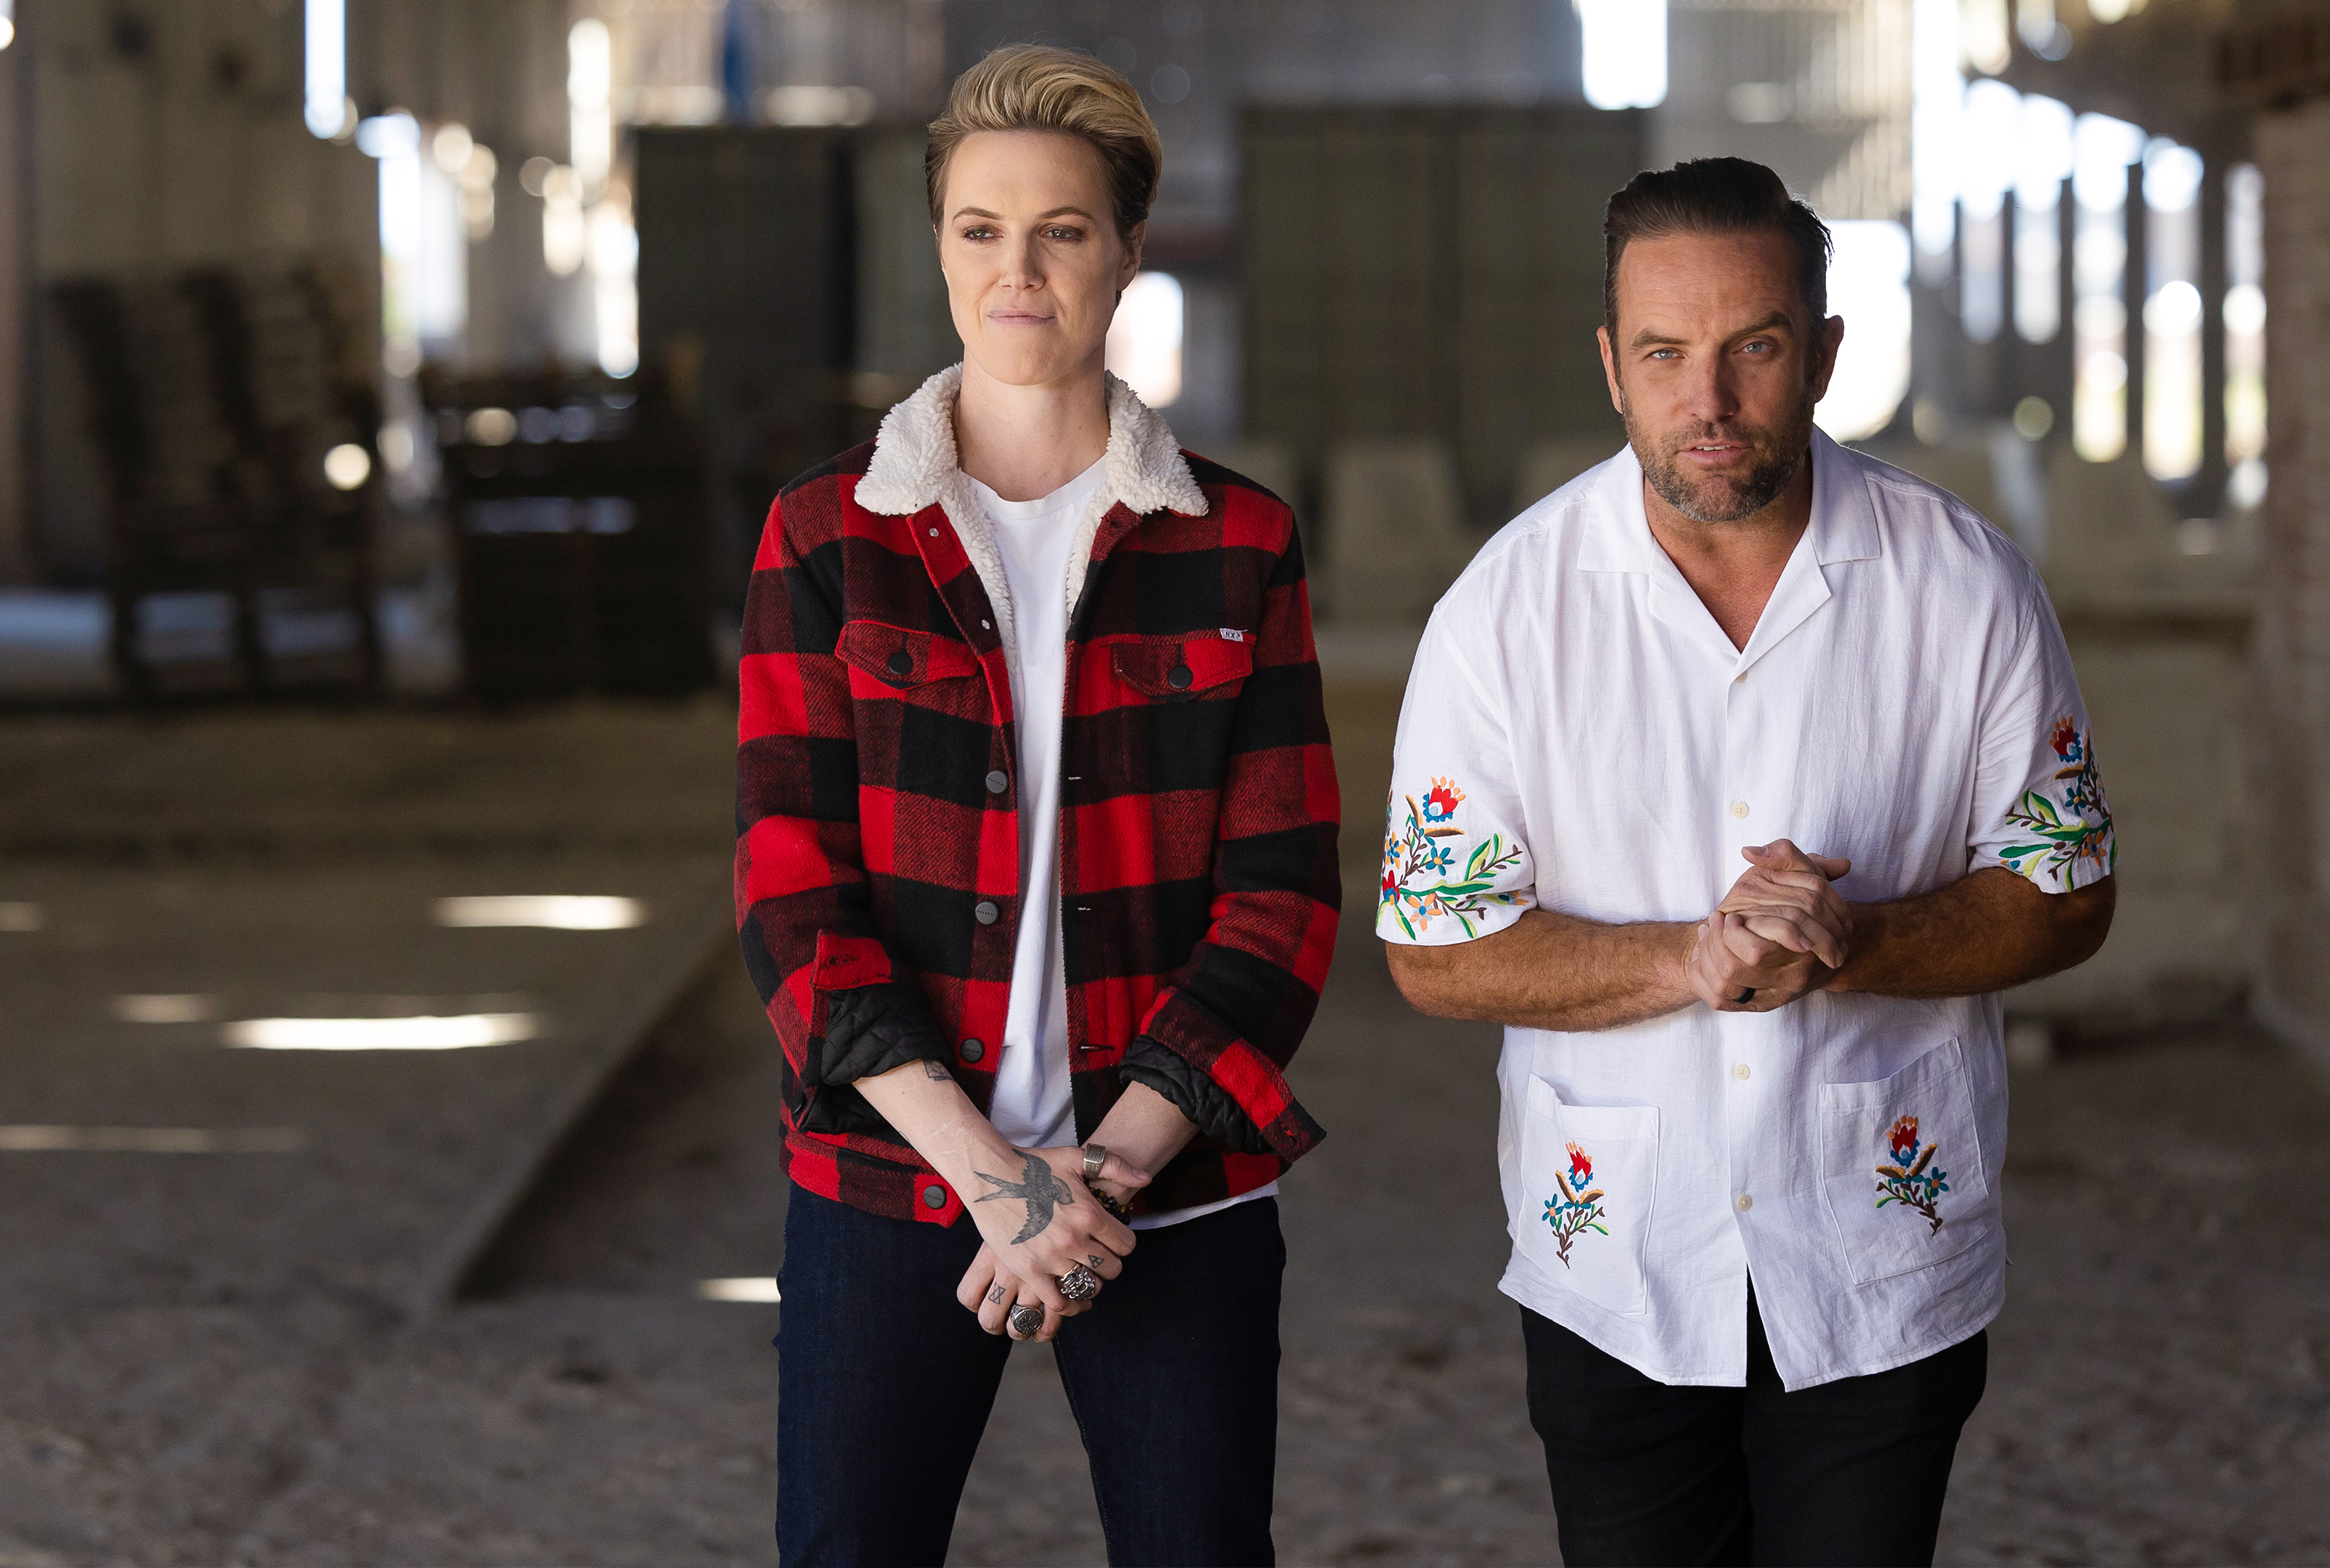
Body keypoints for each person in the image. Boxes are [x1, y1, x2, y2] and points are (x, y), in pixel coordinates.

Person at [1377, 157, 2117, 1567]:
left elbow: (2070, 893)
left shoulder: (1967, 584)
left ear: (1825, 355)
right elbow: (1433, 947)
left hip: (1880, 1251)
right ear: (1611, 365)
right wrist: (1694, 958)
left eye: (1754, 348)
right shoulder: (1504, 612)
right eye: (1664, 353)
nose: (1706, 400)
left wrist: (1855, 942)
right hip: (1619, 1257)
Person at [736, 44, 1337, 1568]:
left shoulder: (1238, 542)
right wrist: (996, 1181)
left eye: (1063, 230)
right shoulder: (826, 537)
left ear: (1128, 252)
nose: (1019, 269)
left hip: (1171, 1190)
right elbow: (791, 891)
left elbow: (1282, 897)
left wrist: (1096, 1179)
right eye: (981, 229)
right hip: (892, 1178)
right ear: (940, 247)